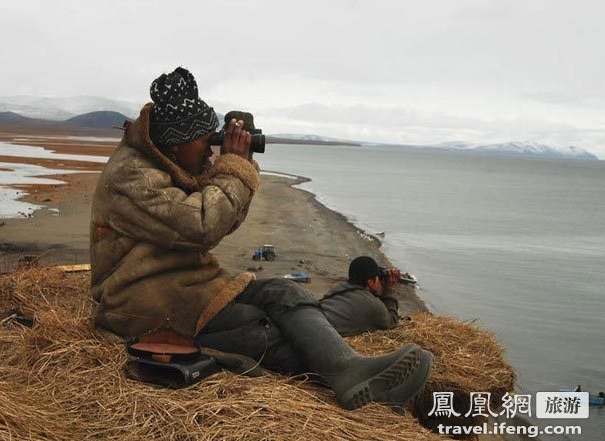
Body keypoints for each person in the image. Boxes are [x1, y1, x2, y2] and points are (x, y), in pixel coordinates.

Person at [90, 67, 432, 410]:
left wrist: (241, 162)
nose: (210, 151)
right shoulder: (131, 176)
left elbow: (222, 221)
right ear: (178, 144)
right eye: (205, 140)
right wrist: (233, 164)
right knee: (257, 329)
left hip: (187, 288)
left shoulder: (166, 161)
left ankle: (349, 369)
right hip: (142, 301)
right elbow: (202, 225)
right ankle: (365, 386)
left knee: (284, 291)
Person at [321, 256, 401, 337]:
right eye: (377, 278)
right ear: (370, 282)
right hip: (319, 331)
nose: (379, 281)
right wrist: (388, 288)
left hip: (313, 316)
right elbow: (392, 321)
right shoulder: (372, 305)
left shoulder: (338, 288)